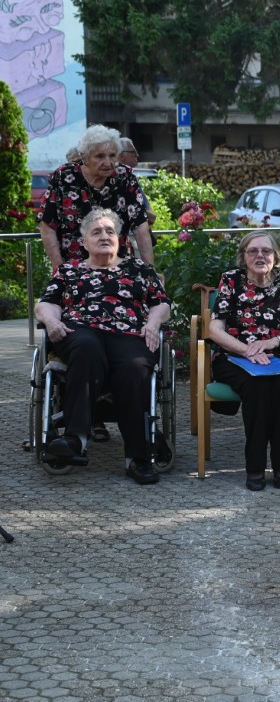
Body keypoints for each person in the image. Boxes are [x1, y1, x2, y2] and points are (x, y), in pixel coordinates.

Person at [33, 208, 171, 485]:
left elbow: (161, 303)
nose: (104, 236)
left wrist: (153, 323)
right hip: (81, 330)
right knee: (87, 348)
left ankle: (138, 457)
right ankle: (75, 439)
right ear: (84, 242)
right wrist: (51, 321)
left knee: (134, 366)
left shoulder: (139, 269)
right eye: (96, 232)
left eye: (110, 231)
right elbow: (46, 303)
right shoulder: (69, 270)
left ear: (120, 239)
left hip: (129, 332)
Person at [208, 232, 280, 490]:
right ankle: (255, 468)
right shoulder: (231, 280)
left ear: (276, 256)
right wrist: (247, 351)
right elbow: (214, 329)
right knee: (257, 386)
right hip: (233, 356)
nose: (260, 256)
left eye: (266, 251)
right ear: (243, 256)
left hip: (275, 357)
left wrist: (273, 342)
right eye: (252, 251)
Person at [39, 125, 154, 271]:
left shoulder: (125, 176)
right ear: (85, 158)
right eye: (100, 156)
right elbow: (47, 224)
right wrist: (59, 269)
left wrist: (150, 271)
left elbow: (140, 227)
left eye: (112, 156)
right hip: (73, 269)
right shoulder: (64, 177)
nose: (108, 162)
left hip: (118, 267)